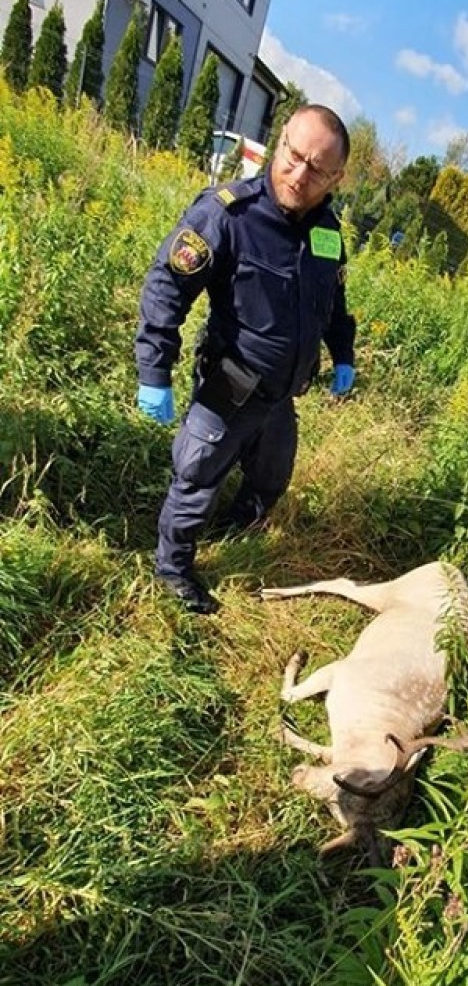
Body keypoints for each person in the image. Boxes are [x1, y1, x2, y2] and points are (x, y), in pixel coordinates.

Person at [136, 104, 356, 613]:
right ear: (280, 143)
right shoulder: (227, 212)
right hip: (232, 380)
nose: (299, 174)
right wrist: (155, 371)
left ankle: (238, 527)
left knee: (272, 475)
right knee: (196, 476)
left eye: (317, 168)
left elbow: (335, 304)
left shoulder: (328, 232)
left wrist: (342, 353)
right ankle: (173, 568)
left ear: (336, 177)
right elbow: (167, 286)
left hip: (282, 392)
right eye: (294, 155)